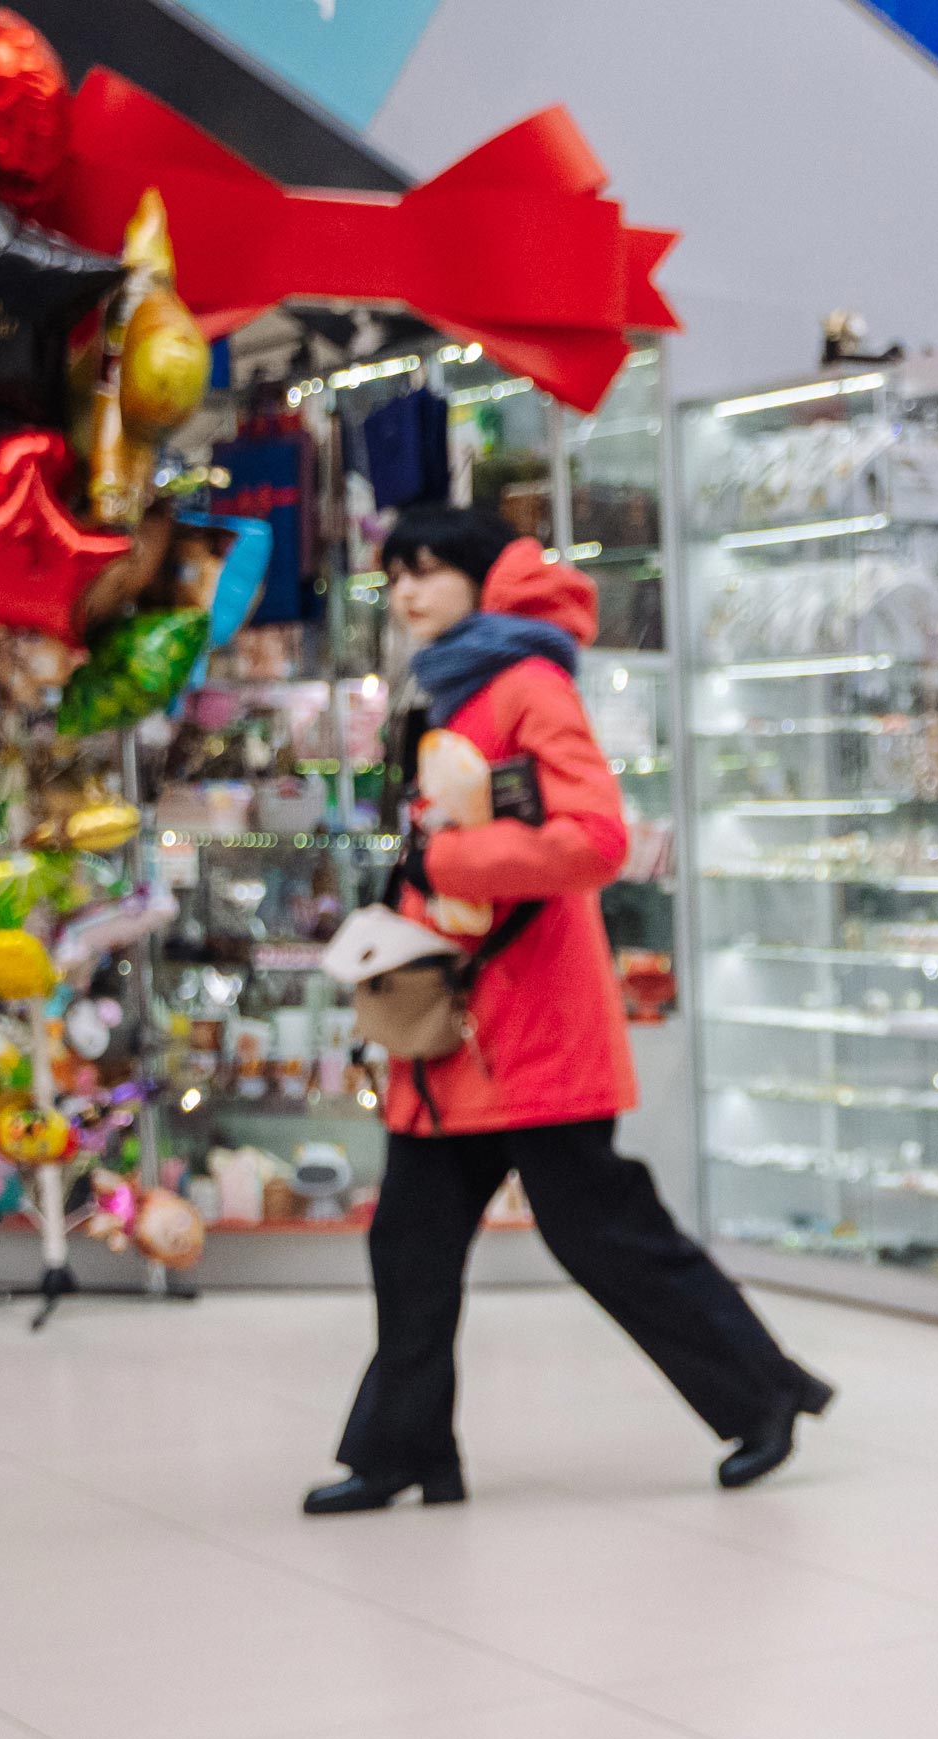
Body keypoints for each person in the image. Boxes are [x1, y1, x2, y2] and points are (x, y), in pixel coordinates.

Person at [305, 509, 828, 1513]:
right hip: (456, 1031)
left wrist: (447, 860)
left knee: (602, 1234)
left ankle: (764, 1393)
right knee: (409, 1246)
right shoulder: (450, 684)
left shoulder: (526, 684)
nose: (407, 592)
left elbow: (596, 838)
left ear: (484, 579)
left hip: (531, 1026)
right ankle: (404, 1450)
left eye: (428, 571)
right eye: (396, 575)